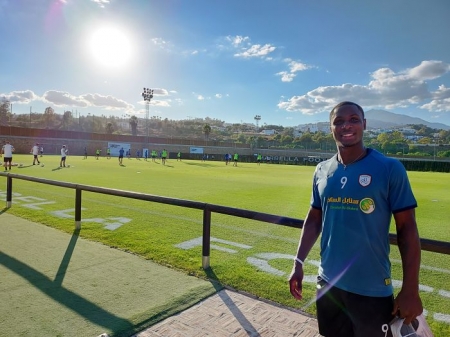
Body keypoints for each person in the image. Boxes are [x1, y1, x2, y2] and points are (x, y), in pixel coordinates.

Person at [288, 102, 423, 337]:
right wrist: (298, 262)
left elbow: (407, 229)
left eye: (353, 119)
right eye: (338, 121)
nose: (346, 125)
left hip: (372, 290)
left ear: (364, 124)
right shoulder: (322, 169)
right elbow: (314, 219)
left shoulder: (390, 168)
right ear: (331, 128)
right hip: (328, 282)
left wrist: (410, 289)